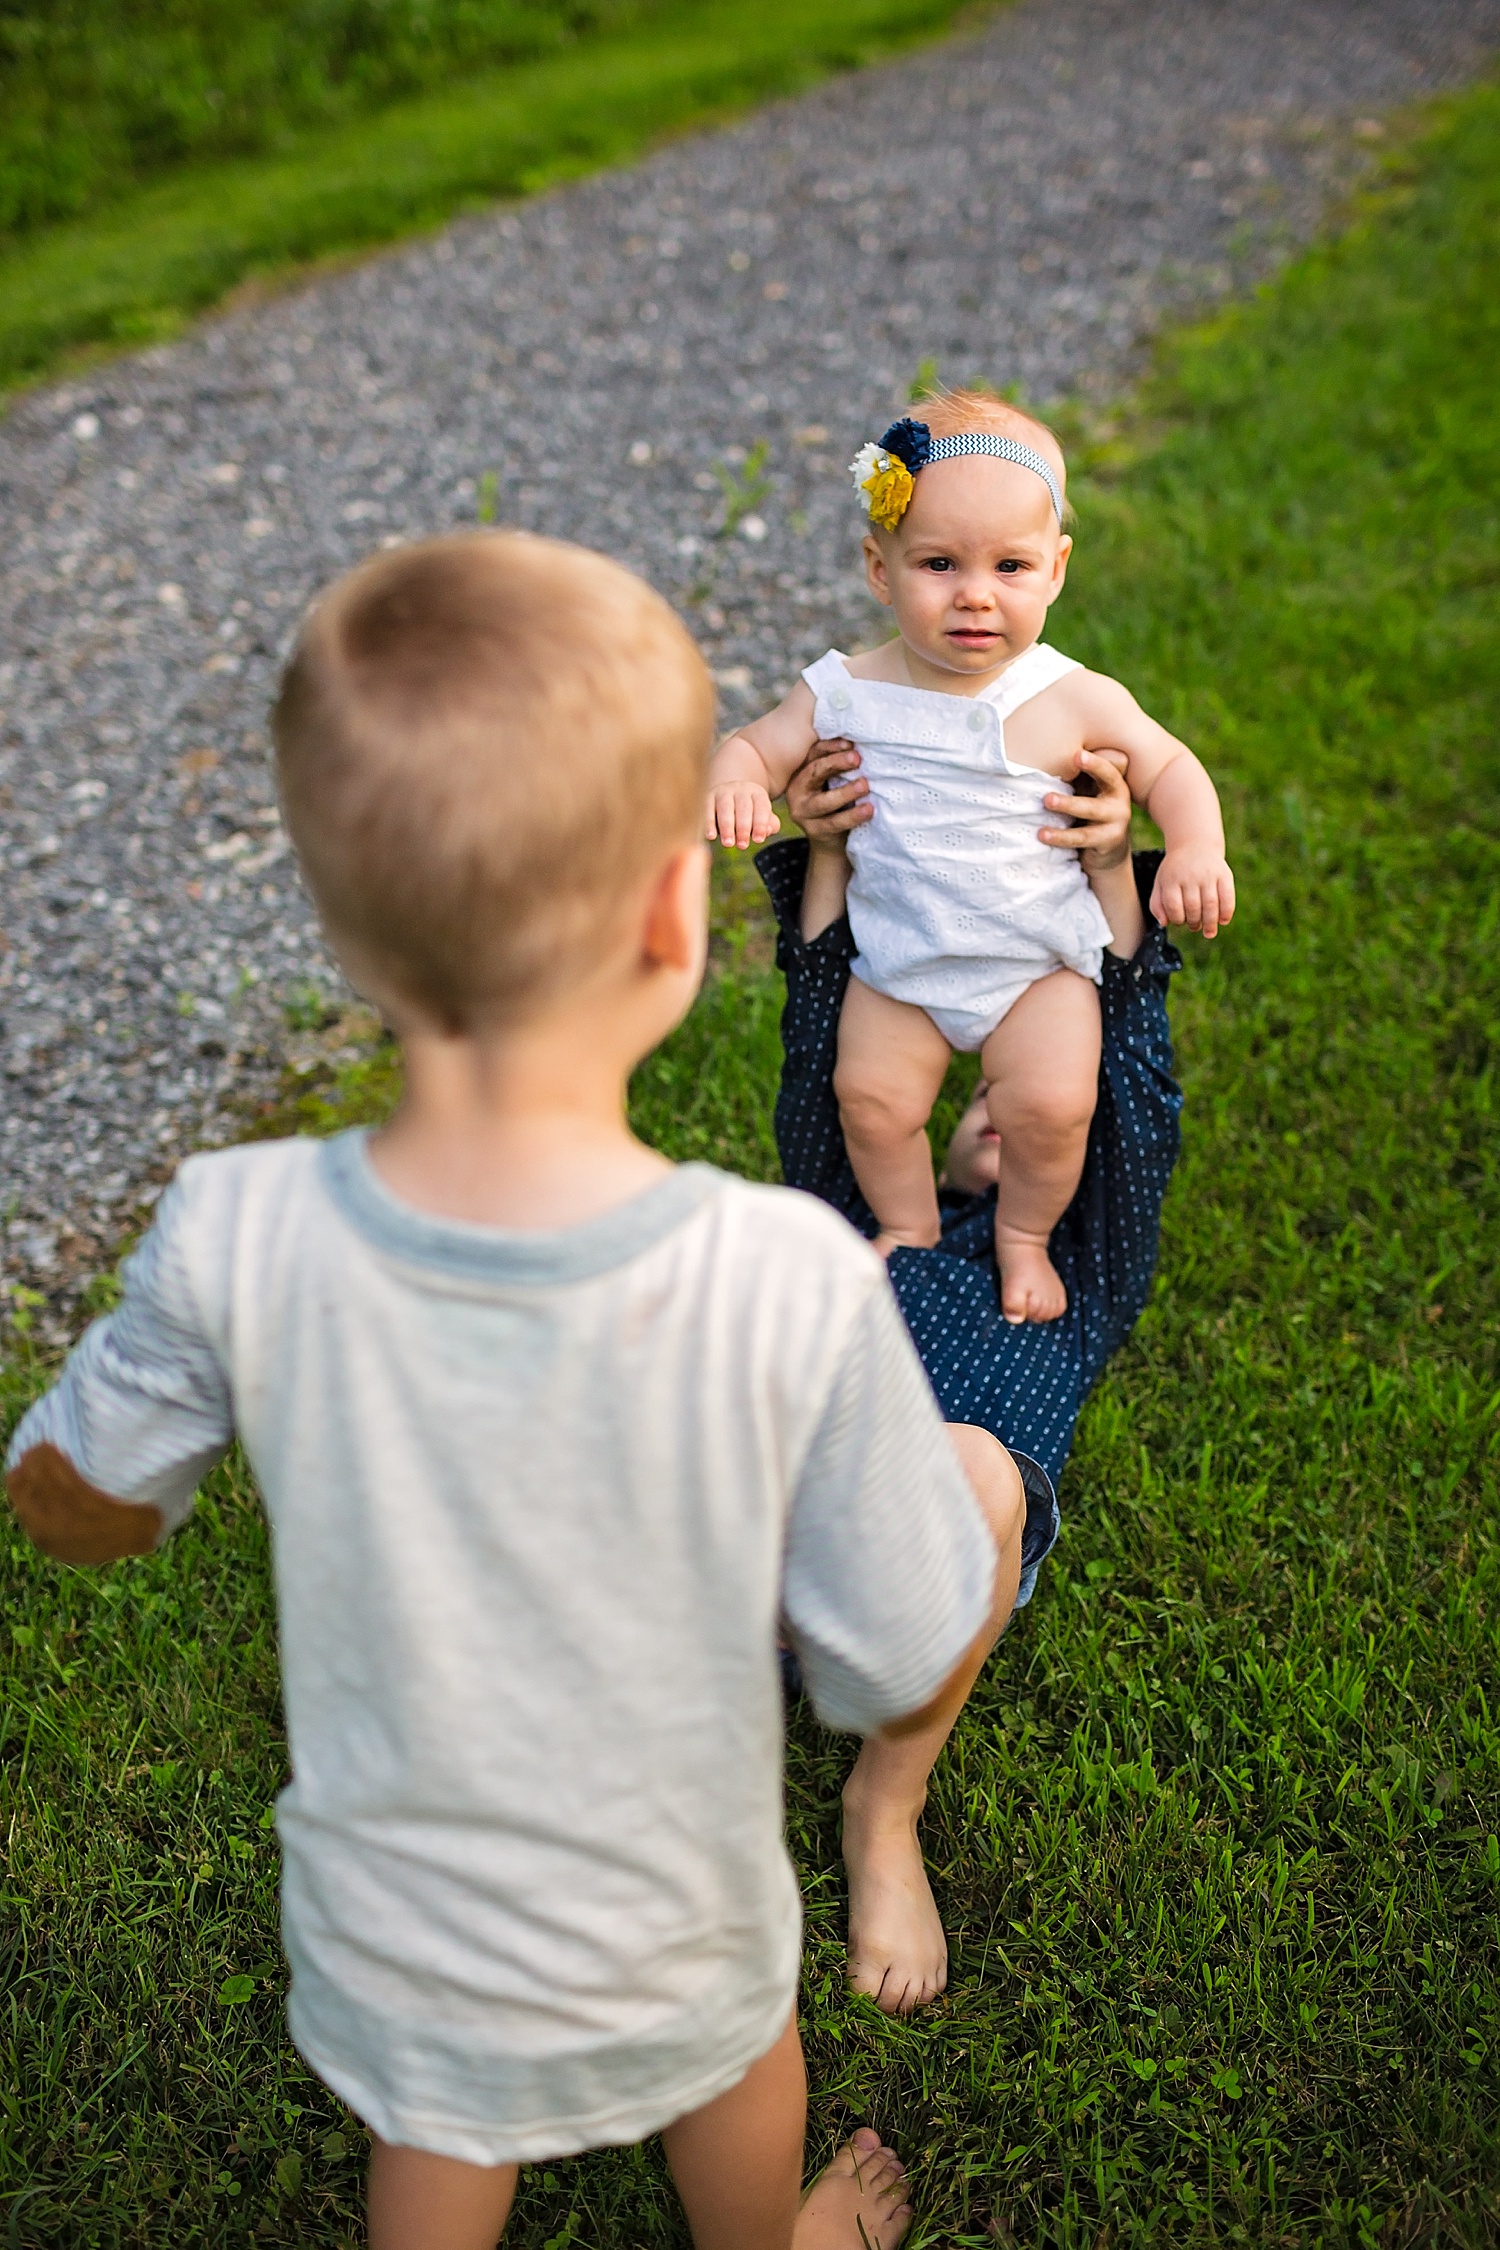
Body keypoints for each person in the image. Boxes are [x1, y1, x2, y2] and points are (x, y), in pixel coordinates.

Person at [5, 532, 1048, 2250]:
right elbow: (888, 1646)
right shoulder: (783, 1278)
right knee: (740, 2070)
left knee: (433, 2131)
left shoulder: (236, 1230)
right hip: (680, 1926)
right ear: (668, 913)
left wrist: (83, 1483)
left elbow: (84, 1495)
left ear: (351, 938)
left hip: (393, 1937)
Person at [706, 390, 1233, 1324]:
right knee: (869, 1100)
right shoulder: (846, 689)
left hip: (1036, 967)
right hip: (899, 962)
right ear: (881, 568)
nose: (976, 593)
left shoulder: (1071, 695)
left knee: (1052, 1110)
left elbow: (1169, 764)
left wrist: (1194, 844)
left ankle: (1022, 1235)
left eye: (1011, 565)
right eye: (939, 563)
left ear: (1057, 570)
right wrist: (740, 781)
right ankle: (908, 1226)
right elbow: (755, 743)